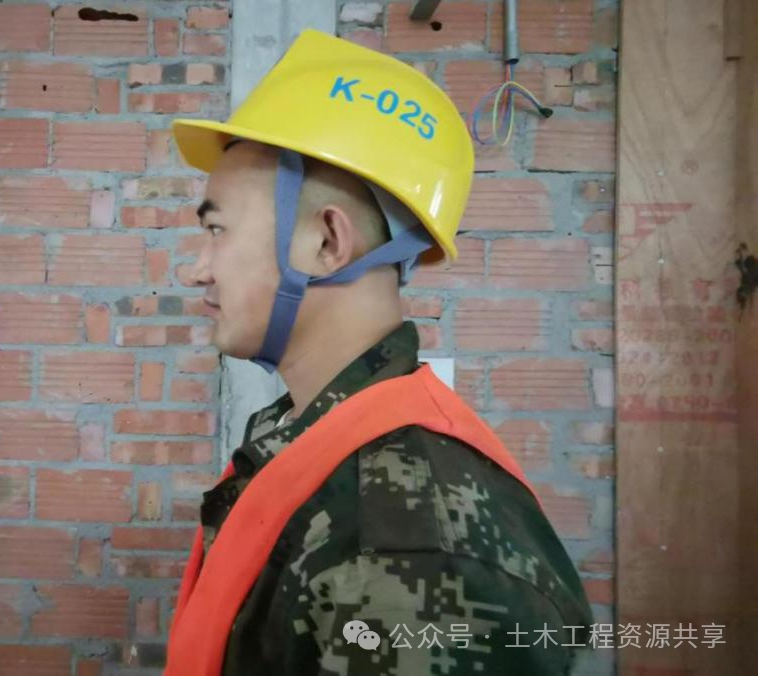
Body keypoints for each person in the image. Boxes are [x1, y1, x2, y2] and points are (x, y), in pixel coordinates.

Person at [163, 29, 594, 675]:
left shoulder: (410, 541)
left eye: (217, 230)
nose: (197, 270)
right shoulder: (319, 443)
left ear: (326, 244)